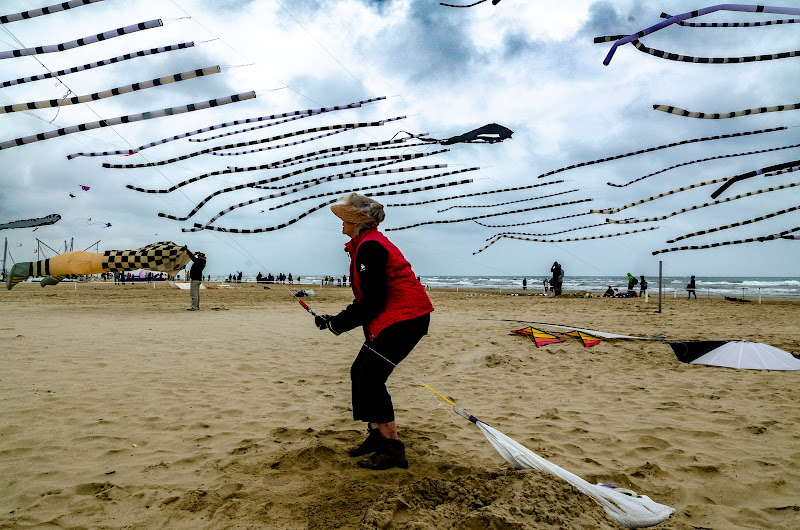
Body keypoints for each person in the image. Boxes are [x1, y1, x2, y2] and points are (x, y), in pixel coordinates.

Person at [314, 193, 433, 470]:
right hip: (393, 318)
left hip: (406, 319)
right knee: (361, 372)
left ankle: (392, 449)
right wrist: (336, 320)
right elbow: (368, 298)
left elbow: (374, 301)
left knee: (370, 377)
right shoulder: (363, 245)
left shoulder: (370, 247)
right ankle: (378, 436)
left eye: (345, 218)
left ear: (358, 221)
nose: (340, 223)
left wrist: (339, 324)